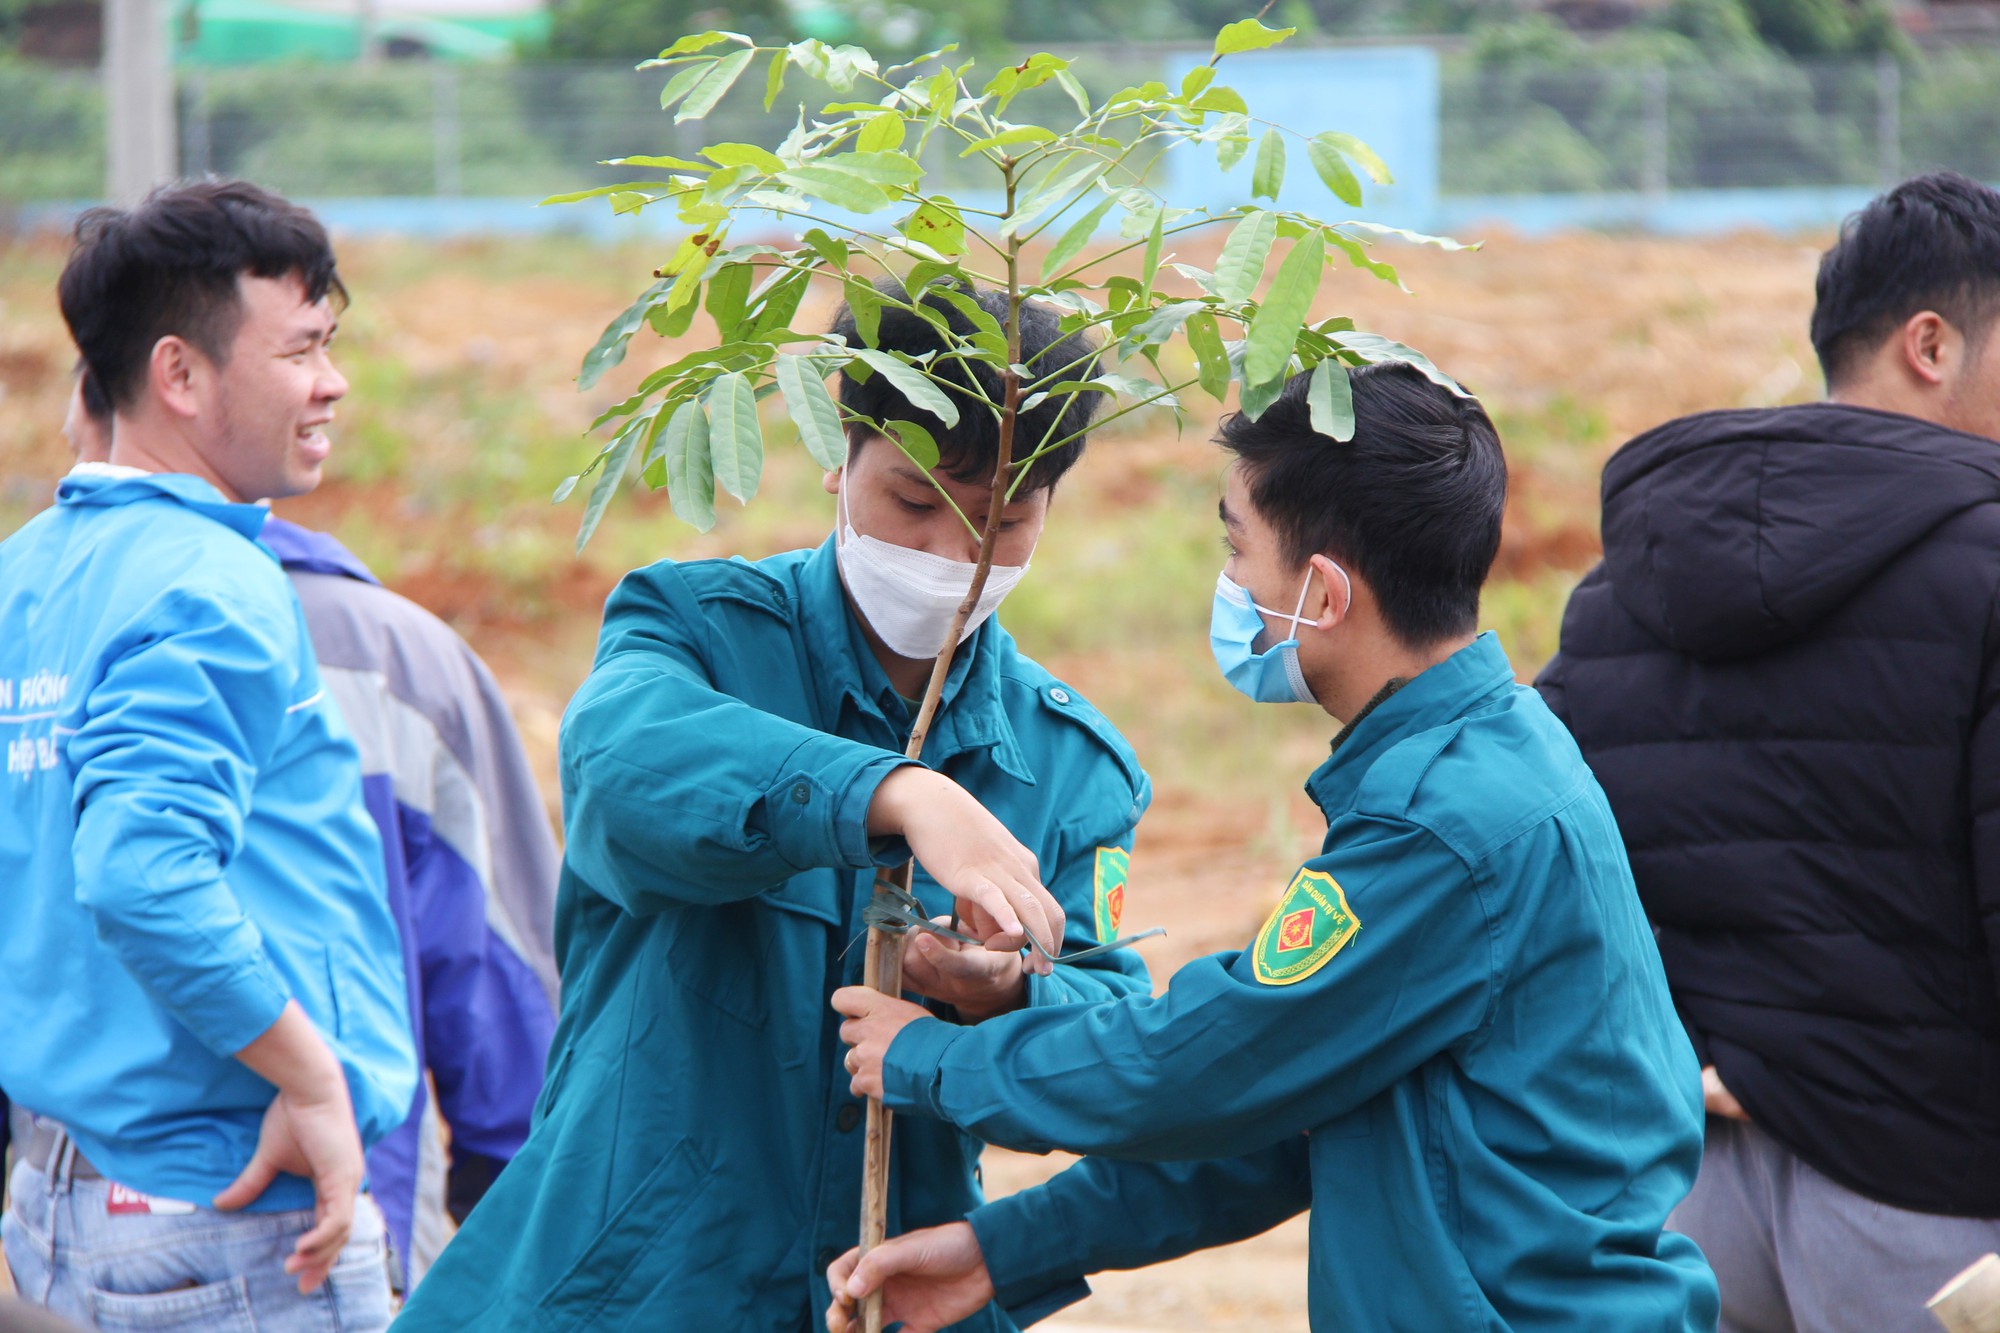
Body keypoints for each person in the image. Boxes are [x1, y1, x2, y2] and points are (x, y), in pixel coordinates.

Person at [829, 361, 1720, 1333]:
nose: (1229, 584)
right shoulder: (1488, 756)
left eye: (1236, 548)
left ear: (1324, 595)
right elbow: (1291, 1116)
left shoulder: (1438, 823)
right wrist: (1002, 1249)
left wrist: (932, 1060)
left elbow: (1206, 1061)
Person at [396, 283, 1153, 1331]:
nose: (945, 556)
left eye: (998, 521)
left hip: (885, 1296)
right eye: (911, 503)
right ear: (839, 463)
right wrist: (893, 790)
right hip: (635, 1288)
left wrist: (1007, 997)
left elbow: (1122, 1039)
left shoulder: (1067, 765)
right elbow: (623, 772)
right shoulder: (696, 632)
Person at [1535, 170, 2000, 1333]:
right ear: (1930, 344)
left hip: (1673, 1196)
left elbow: (1550, 881)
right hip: (1927, 1210)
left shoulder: (1616, 589)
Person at [0, 180, 416, 1328]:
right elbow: (139, 871)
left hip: (63, 1200)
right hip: (229, 1220)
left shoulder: (26, 576)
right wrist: (308, 1073)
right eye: (302, 352)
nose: (331, 384)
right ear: (180, 375)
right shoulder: (210, 580)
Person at [60, 371, 562, 1292]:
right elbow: (504, 1004)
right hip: (332, 1231)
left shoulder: (31, 636)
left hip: (65, 1225)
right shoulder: (401, 660)